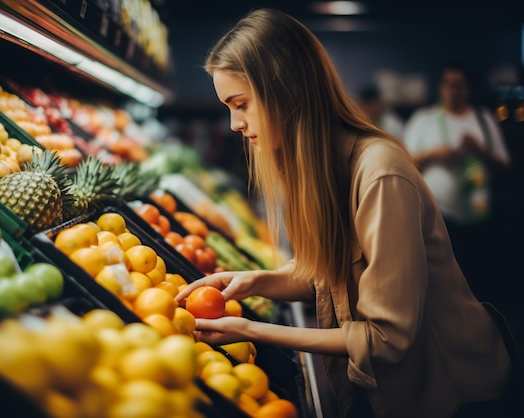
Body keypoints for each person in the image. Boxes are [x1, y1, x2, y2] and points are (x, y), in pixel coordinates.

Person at [174, 9, 517, 418]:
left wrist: (249, 329)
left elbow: (387, 339)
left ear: (286, 90)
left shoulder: (379, 174)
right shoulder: (323, 167)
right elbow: (332, 277)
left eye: (241, 104)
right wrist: (256, 282)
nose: (234, 124)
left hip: (456, 398)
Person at [403, 64, 511, 299]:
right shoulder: (424, 120)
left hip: (478, 217)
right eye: (448, 84)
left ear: (468, 89)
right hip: (437, 218)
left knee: (477, 283)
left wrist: (480, 150)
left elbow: (504, 166)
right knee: (440, 284)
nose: (453, 90)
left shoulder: (484, 119)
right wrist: (432, 155)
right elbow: (402, 162)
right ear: (441, 88)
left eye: (458, 85)